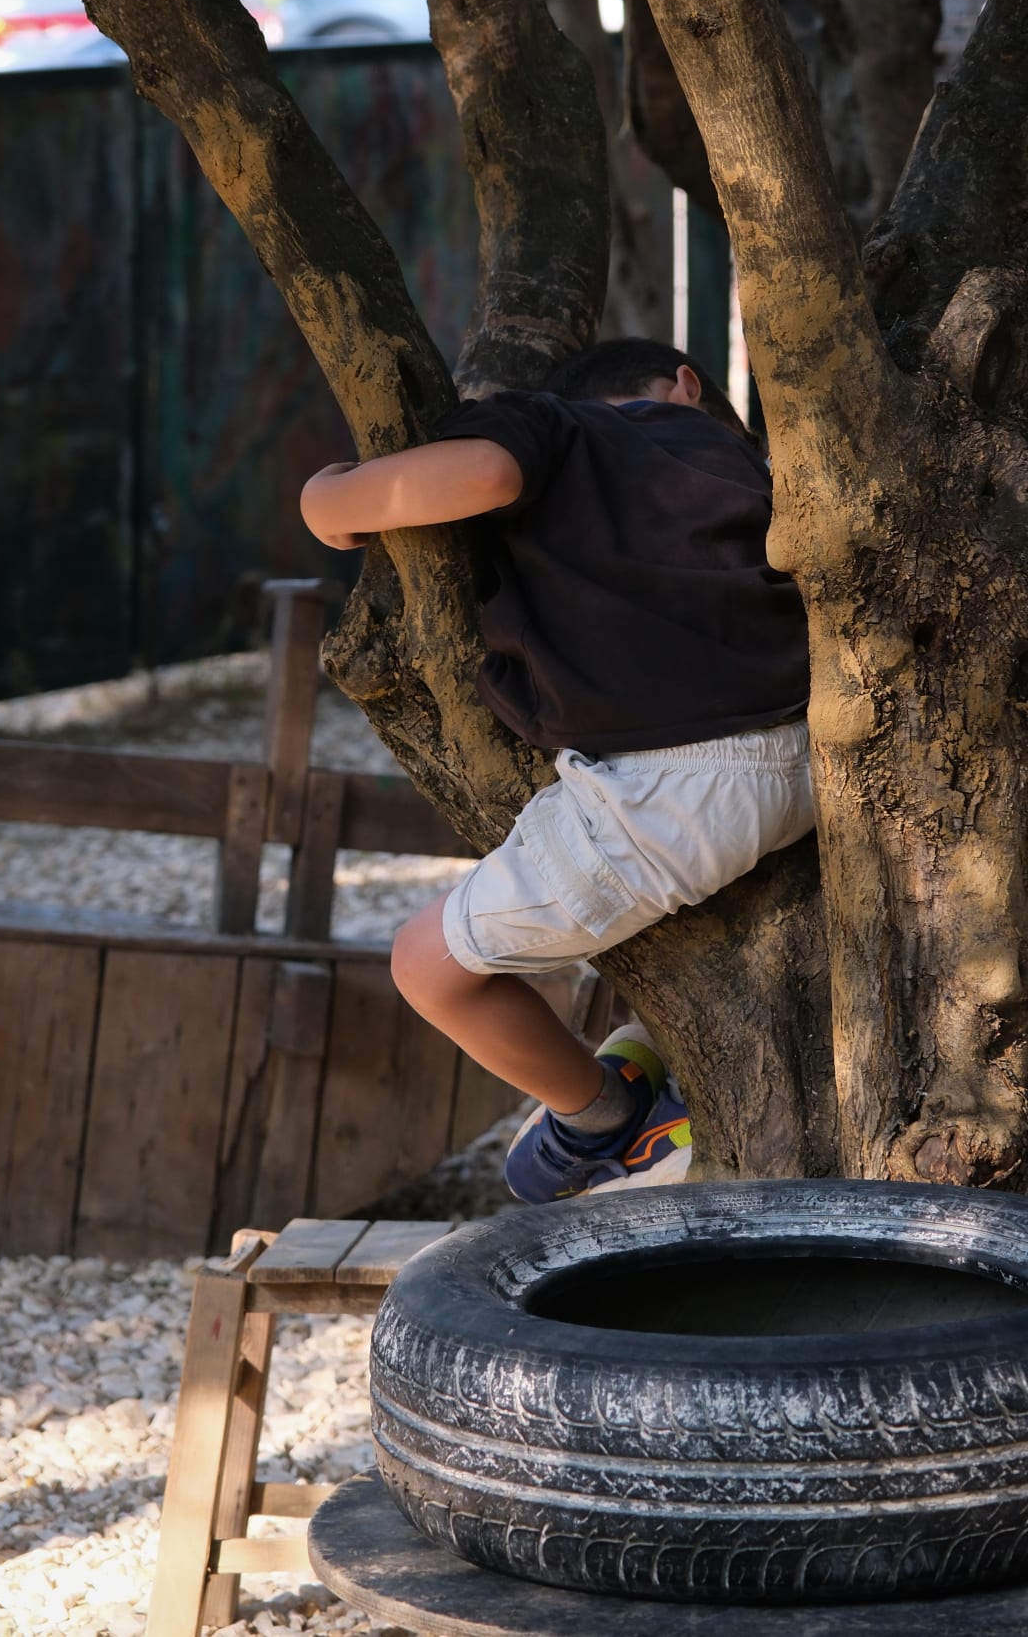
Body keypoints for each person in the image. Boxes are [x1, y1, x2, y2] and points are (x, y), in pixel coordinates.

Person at [300, 338, 813, 1201]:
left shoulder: (558, 429)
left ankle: (611, 1122)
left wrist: (328, 500)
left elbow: (485, 473)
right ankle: (655, 1045)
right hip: (803, 759)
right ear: (688, 387)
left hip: (673, 788)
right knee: (670, 900)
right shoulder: (741, 458)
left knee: (426, 966)